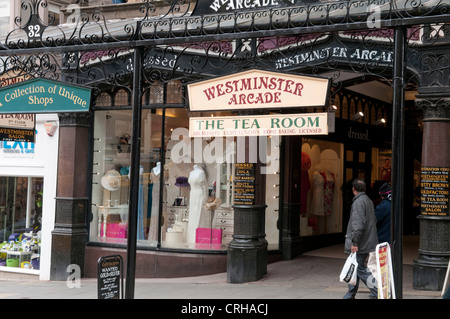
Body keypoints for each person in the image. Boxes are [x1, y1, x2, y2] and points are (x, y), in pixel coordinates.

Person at [343, 178, 379, 299]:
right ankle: (350, 294)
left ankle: (378, 291)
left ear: (353, 189)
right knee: (356, 267)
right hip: (367, 240)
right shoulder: (368, 200)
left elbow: (358, 225)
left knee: (360, 268)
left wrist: (355, 242)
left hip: (361, 243)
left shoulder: (358, 202)